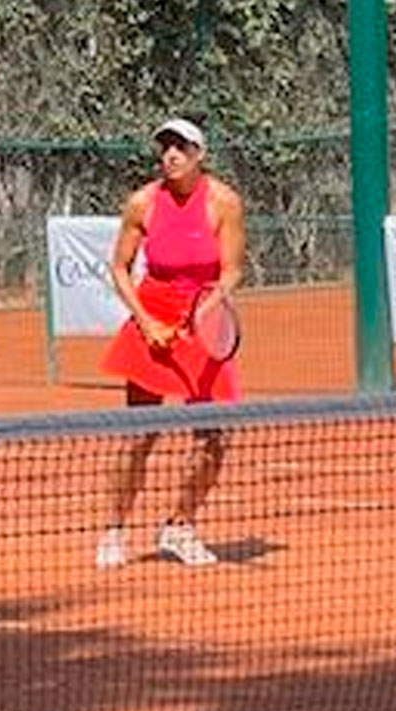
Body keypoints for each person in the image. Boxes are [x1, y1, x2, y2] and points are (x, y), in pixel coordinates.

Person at [95, 116, 246, 569]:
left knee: (213, 436)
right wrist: (146, 323)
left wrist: (203, 312)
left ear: (200, 155)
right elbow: (119, 267)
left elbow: (232, 271)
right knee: (140, 434)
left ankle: (179, 527)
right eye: (165, 147)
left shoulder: (223, 202)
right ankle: (114, 531)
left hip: (206, 316)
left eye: (181, 147)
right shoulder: (142, 203)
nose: (171, 156)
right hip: (153, 313)